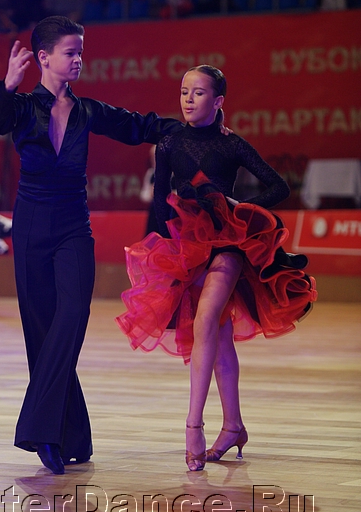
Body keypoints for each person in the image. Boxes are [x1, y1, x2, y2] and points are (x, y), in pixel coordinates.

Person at [0, 15, 194, 475]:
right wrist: (7, 84)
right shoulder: (22, 107)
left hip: (73, 227)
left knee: (73, 315)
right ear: (44, 58)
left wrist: (195, 128)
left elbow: (140, 126)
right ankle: (71, 435)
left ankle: (41, 431)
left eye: (81, 51)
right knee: (42, 331)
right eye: (70, 52)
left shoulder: (88, 111)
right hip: (31, 227)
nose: (79, 59)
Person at [116, 65, 317, 471]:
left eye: (199, 92)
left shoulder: (231, 144)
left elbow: (279, 186)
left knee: (205, 320)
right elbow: (160, 203)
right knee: (220, 337)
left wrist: (240, 212)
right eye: (184, 92)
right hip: (187, 247)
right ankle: (234, 427)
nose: (189, 99)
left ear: (218, 100)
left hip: (228, 245)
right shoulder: (169, 142)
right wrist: (169, 251)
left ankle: (193, 427)